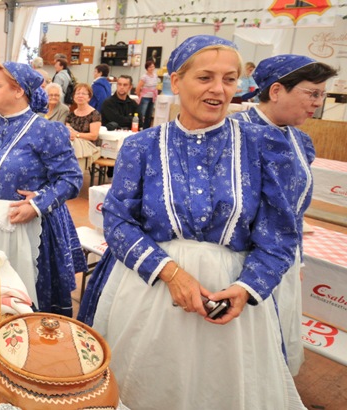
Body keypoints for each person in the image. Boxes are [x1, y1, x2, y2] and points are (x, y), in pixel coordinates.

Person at [77, 35, 305, 409]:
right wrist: (170, 273)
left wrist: (247, 287)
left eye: (229, 79)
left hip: (232, 301)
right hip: (150, 291)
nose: (219, 89)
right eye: (205, 77)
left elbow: (279, 234)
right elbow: (117, 221)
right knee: (144, 385)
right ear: (176, 81)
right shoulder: (142, 146)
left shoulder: (262, 145)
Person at [231, 55, 338, 376]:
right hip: (241, 262)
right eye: (312, 93)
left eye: (322, 95)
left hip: (283, 258)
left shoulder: (300, 140)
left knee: (273, 347)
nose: (318, 103)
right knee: (242, 349)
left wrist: (298, 259)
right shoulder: (234, 134)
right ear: (276, 91)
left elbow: (294, 210)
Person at [0, 61, 84, 316]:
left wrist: (38, 204)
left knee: (13, 299)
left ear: (18, 91)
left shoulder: (45, 130)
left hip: (16, 227)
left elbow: (71, 178)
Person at [65, 83, 102, 170]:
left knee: (75, 147)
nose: (80, 96)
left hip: (90, 145)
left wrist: (77, 135)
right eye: (78, 93)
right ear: (74, 96)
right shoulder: (70, 115)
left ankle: (76, 173)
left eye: (84, 94)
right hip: (73, 143)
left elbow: (94, 136)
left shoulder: (95, 114)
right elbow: (68, 131)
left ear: (89, 97)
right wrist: (71, 135)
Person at [135, 59, 158, 129]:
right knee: (142, 113)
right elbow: (138, 88)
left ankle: (147, 128)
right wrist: (139, 95)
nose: (152, 68)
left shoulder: (155, 75)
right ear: (147, 68)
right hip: (145, 97)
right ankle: (139, 127)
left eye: (153, 66)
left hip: (152, 97)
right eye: (150, 67)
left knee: (149, 114)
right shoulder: (144, 77)